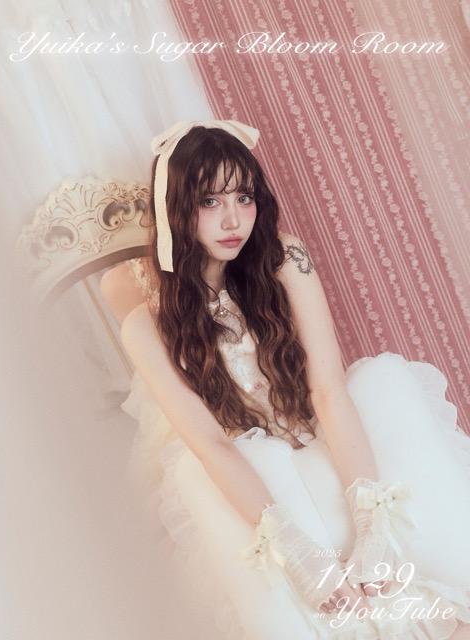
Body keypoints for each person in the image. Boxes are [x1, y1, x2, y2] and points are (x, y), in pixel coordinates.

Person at [100, 120, 470, 639]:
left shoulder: (284, 257)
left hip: (316, 428)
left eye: (244, 197)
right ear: (176, 208)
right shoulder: (145, 316)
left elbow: (328, 389)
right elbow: (210, 444)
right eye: (210, 201)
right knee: (209, 481)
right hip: (243, 461)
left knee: (387, 383)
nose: (233, 219)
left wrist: (371, 516)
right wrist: (290, 545)